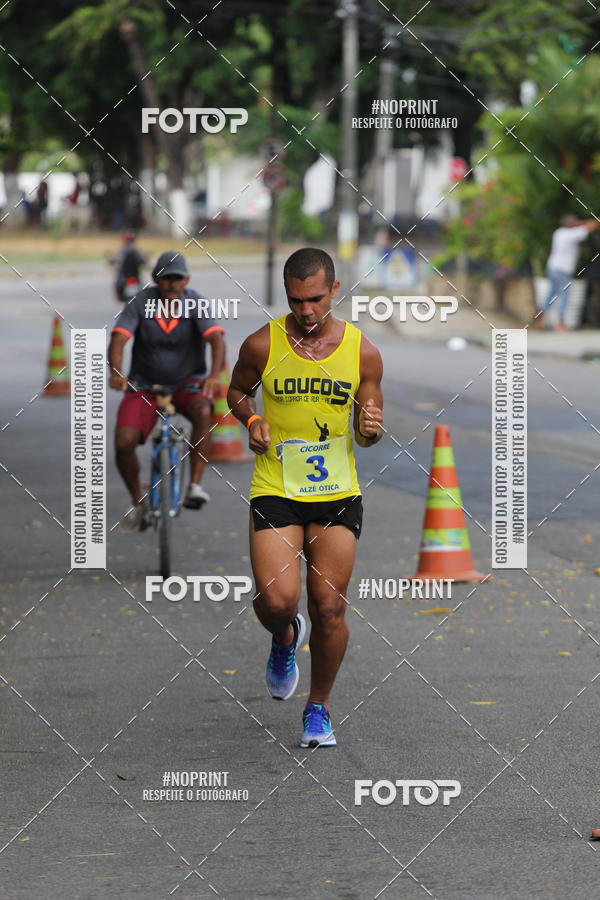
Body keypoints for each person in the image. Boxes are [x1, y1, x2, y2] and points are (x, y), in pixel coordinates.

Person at [227, 247, 384, 748]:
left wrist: (370, 427)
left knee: (329, 607)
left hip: (336, 491)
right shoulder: (261, 343)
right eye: (296, 301)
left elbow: (369, 424)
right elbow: (235, 392)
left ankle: (318, 708)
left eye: (315, 299)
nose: (306, 311)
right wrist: (251, 419)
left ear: (335, 291)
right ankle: (283, 636)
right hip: (276, 485)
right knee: (277, 600)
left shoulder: (362, 352)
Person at [108, 250, 225, 530]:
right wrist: (115, 372)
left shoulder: (195, 302)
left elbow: (216, 339)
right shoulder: (140, 302)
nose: (172, 284)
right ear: (155, 279)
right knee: (123, 441)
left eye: (177, 278)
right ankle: (139, 501)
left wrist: (213, 376)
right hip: (145, 386)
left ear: (186, 280)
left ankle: (194, 486)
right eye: (166, 278)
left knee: (203, 410)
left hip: (187, 384)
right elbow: (119, 339)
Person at [539, 215, 599, 330]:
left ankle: (541, 318)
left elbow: (580, 226)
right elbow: (589, 227)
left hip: (552, 267)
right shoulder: (571, 235)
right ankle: (560, 324)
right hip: (562, 270)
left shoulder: (558, 232)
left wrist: (579, 223)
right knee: (564, 295)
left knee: (551, 293)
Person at [111, 230, 147, 303]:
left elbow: (115, 260)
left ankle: (119, 296)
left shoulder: (121, 250)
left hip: (125, 275)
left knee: (117, 283)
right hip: (134, 275)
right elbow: (142, 260)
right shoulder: (136, 250)